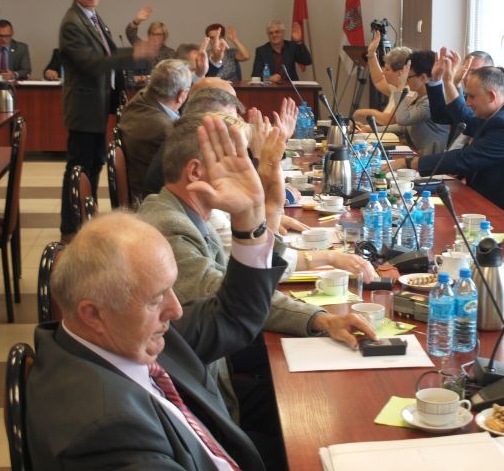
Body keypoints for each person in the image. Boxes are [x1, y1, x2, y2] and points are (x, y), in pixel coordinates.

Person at [27, 116, 287, 470]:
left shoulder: (125, 334)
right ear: (93, 314)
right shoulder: (104, 429)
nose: (176, 309)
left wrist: (251, 217)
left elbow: (233, 315)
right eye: (156, 298)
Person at [137, 112, 376, 462]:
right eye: (236, 161)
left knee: (320, 397)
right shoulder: (172, 227)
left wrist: (269, 207)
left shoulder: (189, 215)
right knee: (314, 429)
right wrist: (320, 319)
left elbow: (249, 279)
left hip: (215, 377)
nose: (248, 169)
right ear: (196, 172)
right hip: (203, 406)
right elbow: (232, 298)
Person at [391, 48, 504, 224]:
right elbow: (462, 117)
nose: (467, 103)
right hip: (484, 197)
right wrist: (438, 81)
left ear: (491, 96)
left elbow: (464, 158)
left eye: (471, 97)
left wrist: (410, 163)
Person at [57, 0, 155, 242]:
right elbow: (92, 63)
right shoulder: (72, 23)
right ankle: (70, 228)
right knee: (78, 169)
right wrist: (133, 54)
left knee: (95, 164)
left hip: (98, 105)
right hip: (84, 107)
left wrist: (133, 53)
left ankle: (86, 217)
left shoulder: (92, 17)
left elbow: (108, 53)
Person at [119, 58, 193, 203]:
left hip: (139, 183)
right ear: (181, 95)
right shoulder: (164, 129)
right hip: (152, 200)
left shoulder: (141, 98)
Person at [393, 50, 448, 156]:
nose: (406, 81)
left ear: (423, 77)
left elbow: (403, 119)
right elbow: (405, 126)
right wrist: (371, 129)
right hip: (419, 153)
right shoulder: (419, 96)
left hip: (431, 158)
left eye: (408, 77)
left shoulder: (430, 102)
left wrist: (400, 86)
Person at [352, 31, 412, 128]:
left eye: (387, 69)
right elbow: (379, 80)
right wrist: (371, 54)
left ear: (400, 73)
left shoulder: (409, 92)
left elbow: (389, 120)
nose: (383, 73)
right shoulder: (397, 87)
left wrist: (366, 112)